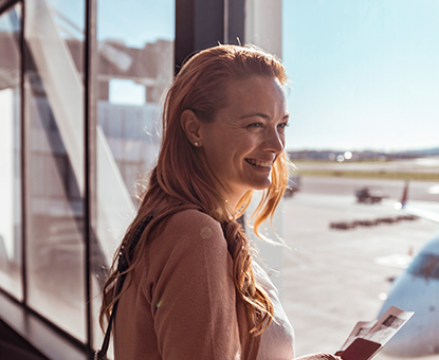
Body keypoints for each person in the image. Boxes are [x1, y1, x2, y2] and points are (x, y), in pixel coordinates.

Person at [99, 45, 340, 360]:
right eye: (255, 124)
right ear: (195, 128)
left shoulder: (167, 221)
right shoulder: (196, 236)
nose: (277, 145)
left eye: (281, 126)